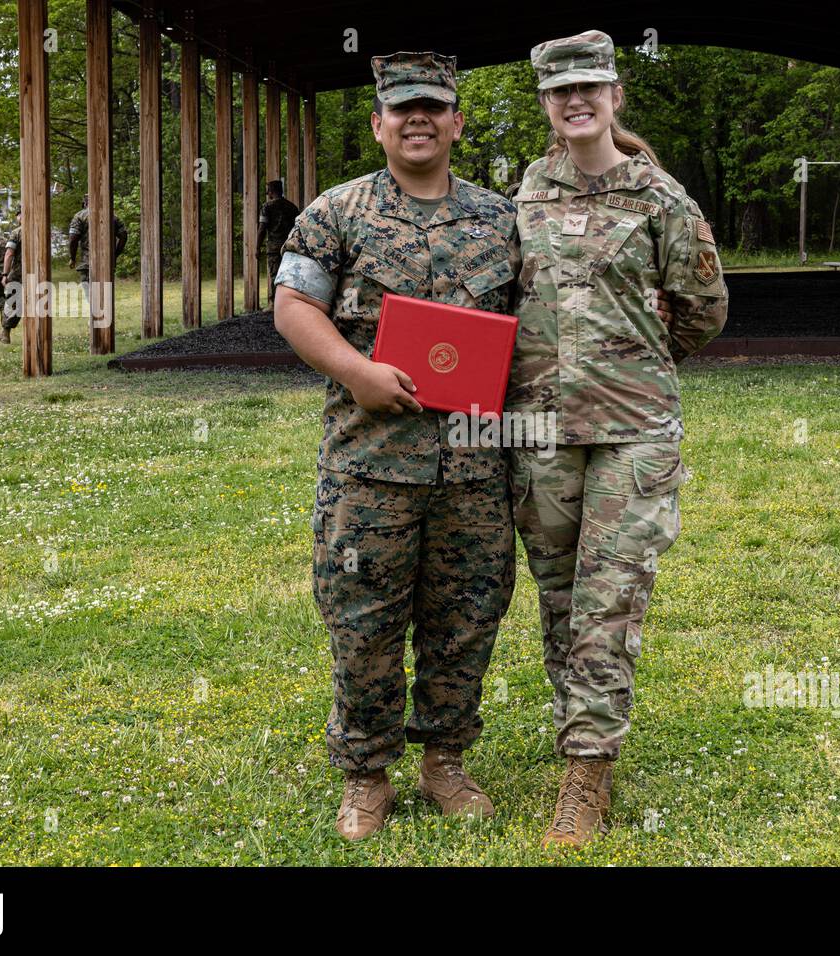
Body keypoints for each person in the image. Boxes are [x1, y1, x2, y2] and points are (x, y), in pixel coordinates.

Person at [272, 51, 520, 841]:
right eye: (402, 108)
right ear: (378, 123)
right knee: (363, 618)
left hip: (475, 465)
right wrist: (357, 370)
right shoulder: (336, 212)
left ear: (456, 122)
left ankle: (445, 760)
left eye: (434, 108)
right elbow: (291, 306)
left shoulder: (501, 219)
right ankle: (367, 775)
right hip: (369, 463)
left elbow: (536, 325)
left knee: (466, 615)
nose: (419, 119)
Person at [507, 30, 728, 848]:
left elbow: (703, 309)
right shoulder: (525, 194)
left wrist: (632, 358)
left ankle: (588, 773)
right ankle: (577, 735)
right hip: (540, 429)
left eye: (590, 88)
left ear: (613, 96)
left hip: (633, 429)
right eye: (561, 91)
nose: (576, 101)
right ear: (546, 103)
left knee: (611, 596)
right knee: (561, 595)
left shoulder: (661, 199)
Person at [67, 195, 128, 297]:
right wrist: (115, 255)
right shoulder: (112, 216)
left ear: (85, 203)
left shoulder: (79, 216)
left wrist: (72, 258)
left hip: (88, 263)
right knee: (106, 295)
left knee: (91, 296)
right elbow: (124, 236)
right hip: (107, 262)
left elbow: (73, 239)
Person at [258, 179, 299, 294]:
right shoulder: (292, 207)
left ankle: (274, 304)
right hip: (290, 247)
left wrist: (257, 247)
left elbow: (262, 229)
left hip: (274, 248)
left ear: (271, 191)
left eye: (267, 191)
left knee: (275, 275)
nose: (267, 194)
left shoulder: (266, 207)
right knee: (289, 276)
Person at [0, 207, 23, 344]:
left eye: (18, 215)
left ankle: (5, 333)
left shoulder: (17, 232)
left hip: (19, 273)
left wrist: (5, 274)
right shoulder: (40, 229)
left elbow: (9, 254)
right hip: (38, 273)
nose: (17, 218)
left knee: (13, 303)